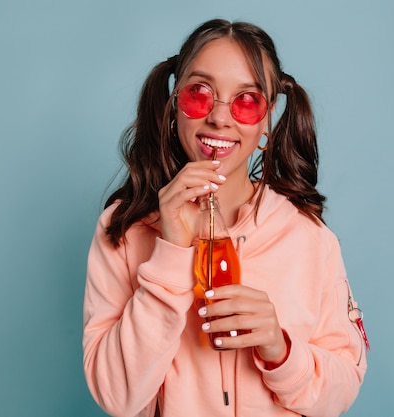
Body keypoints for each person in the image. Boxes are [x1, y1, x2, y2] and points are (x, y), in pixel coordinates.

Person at [83, 18, 368, 417]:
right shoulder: (125, 231)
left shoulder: (308, 237)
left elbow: (343, 387)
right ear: (173, 106)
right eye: (199, 93)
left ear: (266, 122)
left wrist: (281, 350)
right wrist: (169, 253)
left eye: (246, 101)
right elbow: (117, 396)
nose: (220, 118)